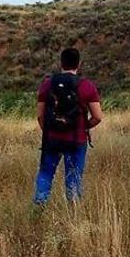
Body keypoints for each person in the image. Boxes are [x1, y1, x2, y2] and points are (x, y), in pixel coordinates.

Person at [34, 48, 103, 204]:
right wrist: (84, 127)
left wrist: (49, 130)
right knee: (73, 177)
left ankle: (38, 209)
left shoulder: (47, 84)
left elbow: (40, 115)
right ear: (79, 64)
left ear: (61, 63)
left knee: (45, 174)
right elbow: (98, 116)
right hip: (76, 140)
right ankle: (73, 215)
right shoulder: (87, 86)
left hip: (52, 140)